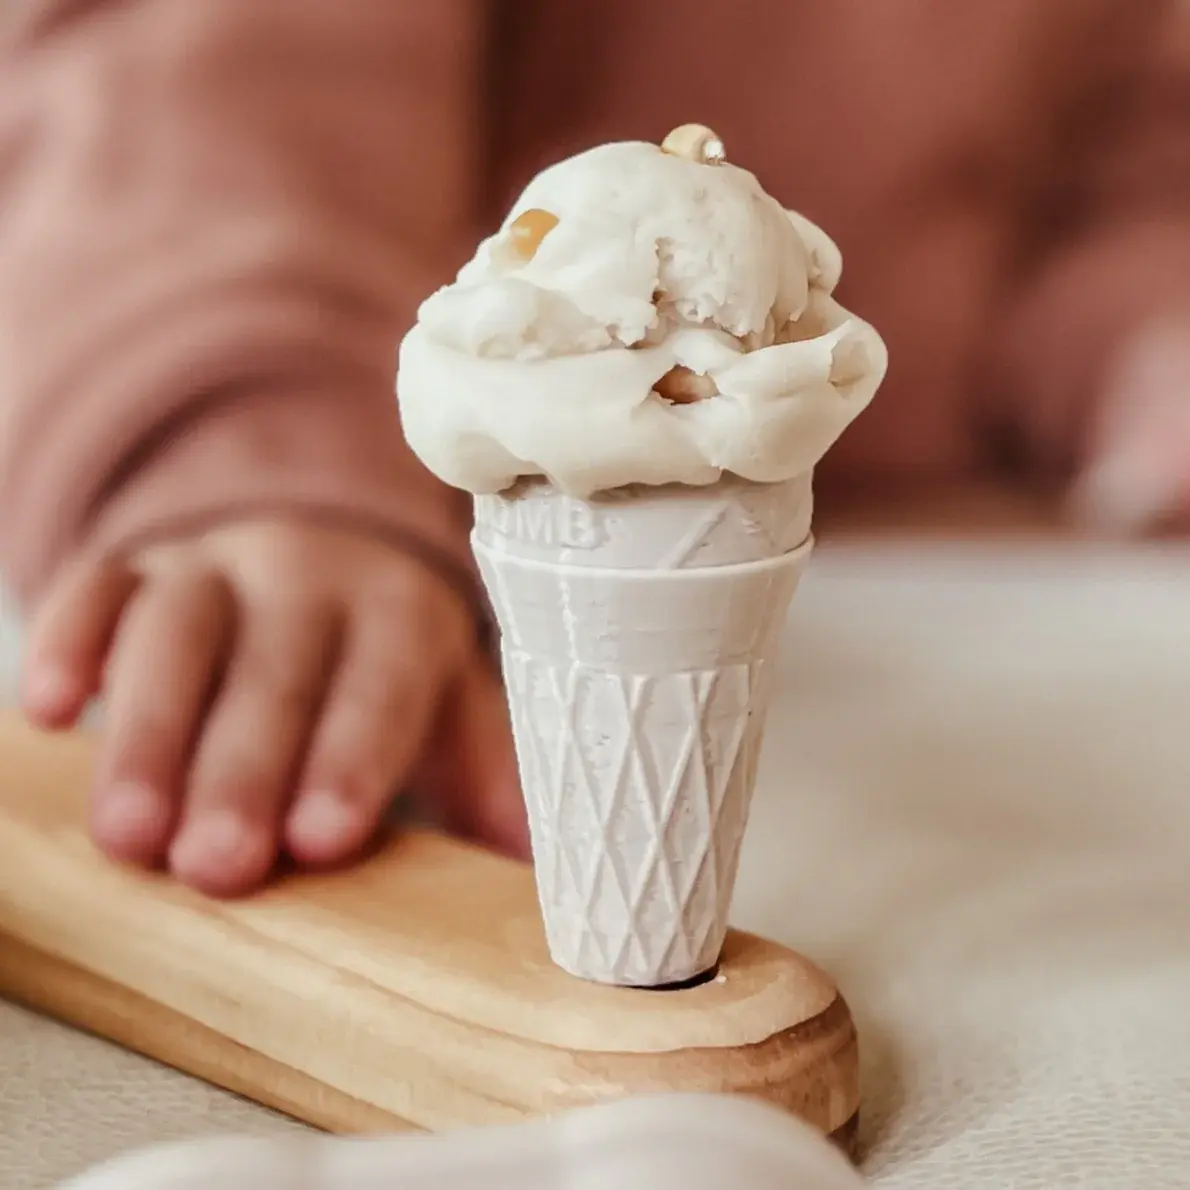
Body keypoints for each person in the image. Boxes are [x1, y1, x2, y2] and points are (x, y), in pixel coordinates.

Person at [0, 0, 1186, 896]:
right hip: (382, 480)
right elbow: (218, 73)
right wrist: (257, 438)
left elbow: (1134, 147)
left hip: (939, 523)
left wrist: (1144, 332)